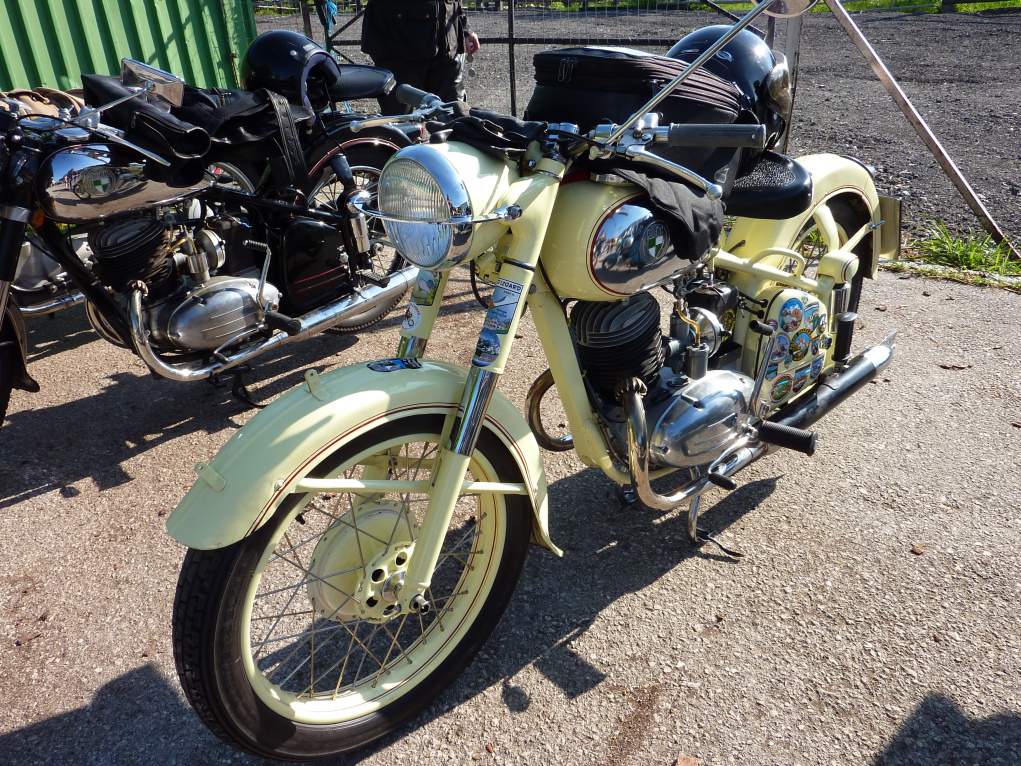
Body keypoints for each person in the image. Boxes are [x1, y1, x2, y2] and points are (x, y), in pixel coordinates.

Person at [360, 0, 481, 114]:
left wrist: (464, 27)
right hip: (397, 44)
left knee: (454, 116)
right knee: (400, 121)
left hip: (446, 42)